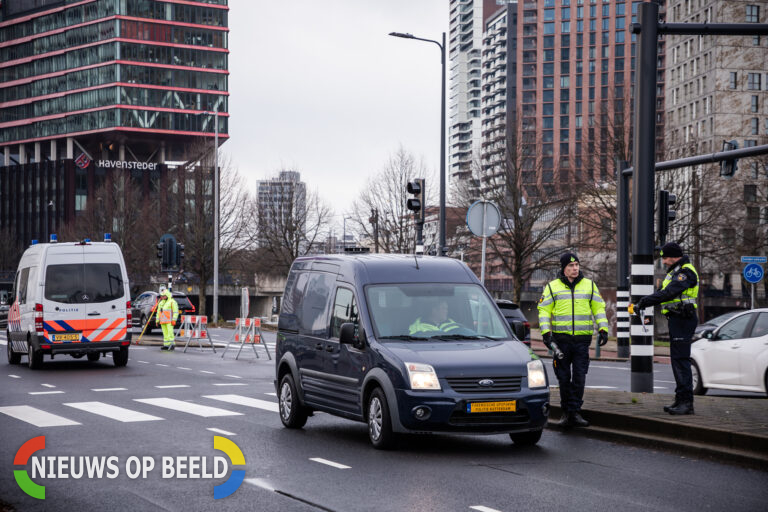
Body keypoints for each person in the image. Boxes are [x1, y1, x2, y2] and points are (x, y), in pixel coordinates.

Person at [538, 253, 609, 428]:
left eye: (577, 265)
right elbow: (544, 311)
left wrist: (603, 328)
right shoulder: (552, 287)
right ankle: (566, 412)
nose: (575, 268)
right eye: (571, 266)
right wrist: (546, 333)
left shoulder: (589, 286)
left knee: (579, 376)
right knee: (563, 378)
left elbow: (599, 308)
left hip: (582, 340)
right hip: (561, 341)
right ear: (563, 268)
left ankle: (575, 411)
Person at [633, 241, 698, 415]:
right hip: (677, 318)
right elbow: (663, 293)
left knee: (681, 361)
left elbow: (669, 293)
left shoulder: (686, 272)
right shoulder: (675, 272)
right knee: (677, 360)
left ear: (672, 256)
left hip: (684, 318)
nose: (664, 262)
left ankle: (687, 403)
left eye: (665, 258)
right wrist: (644, 302)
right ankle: (680, 399)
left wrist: (644, 302)